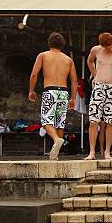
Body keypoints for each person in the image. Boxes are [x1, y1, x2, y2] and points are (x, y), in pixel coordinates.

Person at [28, 32, 78, 160]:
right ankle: (56, 155)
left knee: (46, 121)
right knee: (59, 123)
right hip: (64, 92)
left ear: (49, 43)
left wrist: (31, 90)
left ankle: (56, 139)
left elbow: (34, 74)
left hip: (50, 91)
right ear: (62, 44)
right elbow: (74, 81)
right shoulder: (68, 59)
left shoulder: (43, 55)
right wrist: (73, 98)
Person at [85, 32, 112, 160]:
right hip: (98, 86)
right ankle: (92, 152)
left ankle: (107, 152)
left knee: (111, 122)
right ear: (102, 45)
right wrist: (94, 74)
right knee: (93, 121)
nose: (110, 48)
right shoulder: (96, 50)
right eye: (107, 47)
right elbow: (89, 61)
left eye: (111, 45)